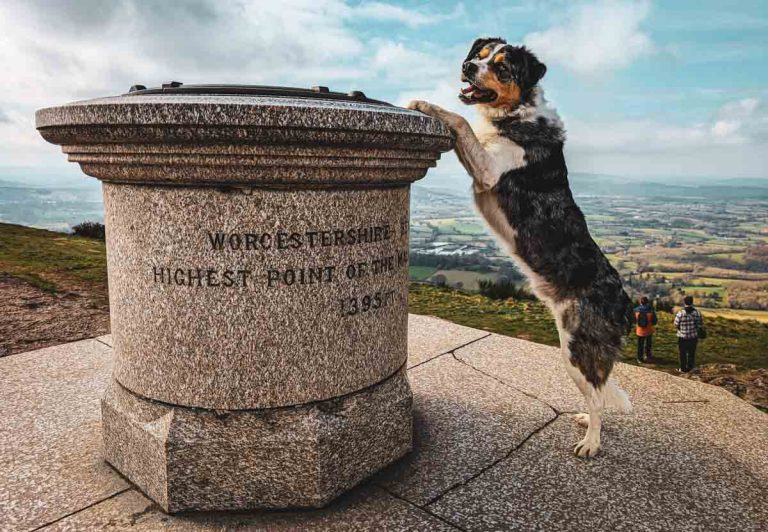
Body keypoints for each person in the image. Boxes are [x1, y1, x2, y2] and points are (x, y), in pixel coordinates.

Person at [673, 295, 704, 372]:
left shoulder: (680, 313)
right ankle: (690, 368)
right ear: (692, 302)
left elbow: (675, 324)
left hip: (682, 337)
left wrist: (680, 328)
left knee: (682, 354)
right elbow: (700, 324)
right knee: (691, 354)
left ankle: (683, 369)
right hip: (693, 336)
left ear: (684, 302)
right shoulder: (697, 313)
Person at [634, 296, 657, 363]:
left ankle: (639, 358)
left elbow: (634, 320)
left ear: (640, 302)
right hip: (649, 330)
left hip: (639, 330)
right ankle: (648, 355)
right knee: (648, 344)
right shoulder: (651, 310)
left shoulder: (636, 310)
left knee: (640, 345)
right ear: (647, 302)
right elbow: (655, 321)